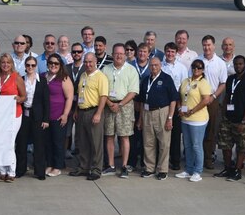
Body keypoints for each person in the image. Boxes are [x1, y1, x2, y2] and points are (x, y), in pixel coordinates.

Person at [136, 55, 178, 179]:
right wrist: (141, 119)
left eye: (156, 65)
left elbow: (173, 100)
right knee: (148, 142)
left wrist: (170, 118)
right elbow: (142, 100)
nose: (154, 67)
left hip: (162, 112)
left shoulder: (166, 78)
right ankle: (149, 168)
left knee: (164, 142)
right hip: (147, 112)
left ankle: (162, 169)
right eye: (152, 65)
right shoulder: (145, 80)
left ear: (160, 66)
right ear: (149, 66)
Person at [217, 55, 245, 181]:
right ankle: (228, 168)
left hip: (242, 120)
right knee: (225, 145)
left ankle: (238, 170)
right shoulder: (230, 79)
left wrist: (244, 121)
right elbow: (227, 97)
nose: (238, 66)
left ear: (244, 65)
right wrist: (223, 115)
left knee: (241, 147)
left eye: (240, 64)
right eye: (236, 64)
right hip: (228, 119)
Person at [102, 43, 139, 178]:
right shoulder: (106, 69)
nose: (118, 56)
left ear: (125, 55)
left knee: (124, 136)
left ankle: (124, 166)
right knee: (109, 136)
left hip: (125, 106)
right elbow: (102, 90)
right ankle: (111, 165)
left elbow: (133, 91)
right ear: (112, 54)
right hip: (109, 105)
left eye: (121, 54)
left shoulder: (131, 70)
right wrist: (110, 103)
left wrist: (121, 104)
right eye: (116, 53)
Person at [72, 52, 109, 180]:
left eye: (90, 62)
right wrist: (76, 110)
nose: (88, 64)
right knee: (83, 142)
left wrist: (98, 113)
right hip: (82, 111)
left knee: (95, 142)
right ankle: (84, 167)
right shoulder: (83, 75)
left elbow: (103, 96)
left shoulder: (100, 77)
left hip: (94, 111)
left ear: (95, 62)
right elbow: (79, 95)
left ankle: (96, 169)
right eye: (86, 62)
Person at [176, 59, 212, 182]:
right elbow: (180, 96)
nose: (196, 69)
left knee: (197, 145)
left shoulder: (203, 83)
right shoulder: (186, 81)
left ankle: (198, 171)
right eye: (194, 67)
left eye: (199, 68)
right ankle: (189, 169)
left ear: (202, 70)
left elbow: (206, 100)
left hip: (198, 119)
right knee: (187, 145)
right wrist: (180, 108)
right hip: (185, 118)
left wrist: (193, 110)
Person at [0, 53, 26, 182]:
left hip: (14, 114)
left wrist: (19, 99)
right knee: (0, 142)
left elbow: (24, 96)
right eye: (3, 63)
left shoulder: (16, 77)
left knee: (10, 143)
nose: (5, 65)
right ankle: (1, 171)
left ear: (12, 64)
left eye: (8, 63)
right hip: (0, 116)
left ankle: (11, 171)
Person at [16, 57, 49, 179]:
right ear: (25, 66)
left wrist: (46, 119)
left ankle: (39, 171)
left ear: (36, 66)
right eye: (28, 65)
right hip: (24, 114)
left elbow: (46, 101)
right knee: (21, 143)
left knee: (39, 144)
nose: (30, 67)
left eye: (33, 65)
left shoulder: (42, 80)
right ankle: (20, 169)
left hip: (38, 116)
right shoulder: (21, 79)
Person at [199, 35, 227, 170]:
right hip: (198, 100)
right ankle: (197, 156)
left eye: (209, 45)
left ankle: (208, 158)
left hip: (212, 100)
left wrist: (213, 97)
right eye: (204, 45)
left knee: (211, 130)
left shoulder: (220, 63)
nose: (207, 47)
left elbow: (223, 83)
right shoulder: (197, 60)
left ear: (214, 46)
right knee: (198, 129)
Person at [44, 53, 74, 177]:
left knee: (58, 142)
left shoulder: (64, 78)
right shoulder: (43, 76)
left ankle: (57, 166)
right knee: (48, 141)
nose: (53, 65)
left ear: (60, 65)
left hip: (58, 115)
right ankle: (50, 164)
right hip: (46, 116)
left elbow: (69, 97)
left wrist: (65, 114)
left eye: (56, 63)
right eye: (51, 63)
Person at [162, 42, 188, 171]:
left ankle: (175, 160)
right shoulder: (161, 66)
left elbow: (184, 88)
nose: (170, 54)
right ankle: (162, 160)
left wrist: (181, 106)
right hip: (163, 102)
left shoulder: (182, 68)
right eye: (168, 51)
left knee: (176, 134)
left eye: (172, 52)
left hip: (177, 101)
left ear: (176, 53)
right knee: (162, 134)